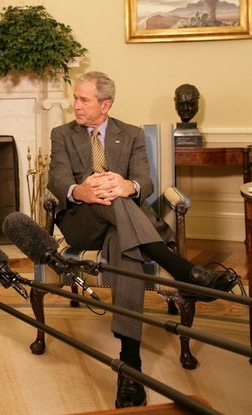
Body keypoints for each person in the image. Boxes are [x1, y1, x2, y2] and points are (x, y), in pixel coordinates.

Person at [47, 71, 240, 408]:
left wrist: (128, 186)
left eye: (83, 99)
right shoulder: (62, 134)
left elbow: (145, 183)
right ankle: (185, 271)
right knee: (113, 198)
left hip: (121, 225)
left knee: (125, 240)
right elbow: (57, 178)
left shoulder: (131, 134)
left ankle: (130, 366)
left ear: (105, 104)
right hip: (82, 220)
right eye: (75, 98)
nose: (75, 105)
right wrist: (83, 190)